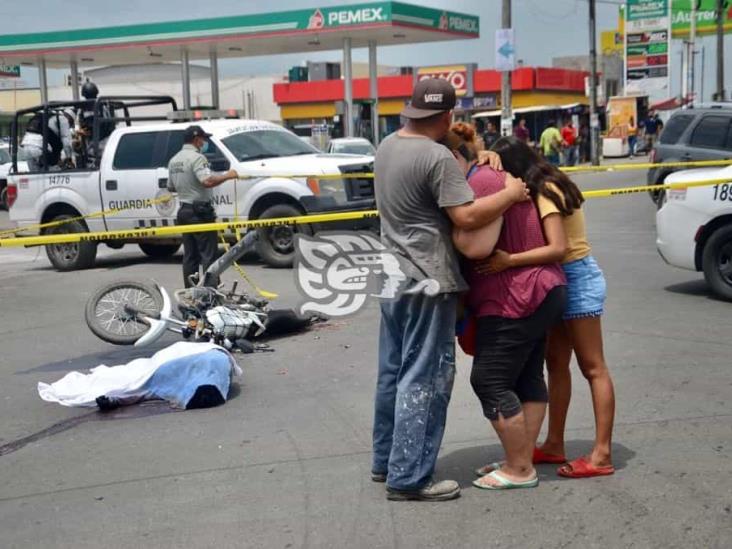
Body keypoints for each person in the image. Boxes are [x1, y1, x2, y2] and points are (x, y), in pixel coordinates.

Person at [372, 78, 529, 502]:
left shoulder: (387, 146)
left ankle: (385, 460)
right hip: (428, 278)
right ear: (446, 117)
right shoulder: (436, 156)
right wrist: (511, 193)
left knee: (393, 372)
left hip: (392, 277)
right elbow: (468, 217)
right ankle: (410, 478)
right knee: (425, 377)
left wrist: (481, 155)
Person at [485, 137, 616, 479]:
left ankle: (601, 454)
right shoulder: (549, 179)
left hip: (576, 276)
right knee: (556, 364)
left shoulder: (545, 190)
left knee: (593, 367)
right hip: (559, 280)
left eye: (504, 173)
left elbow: (558, 248)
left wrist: (508, 261)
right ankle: (554, 442)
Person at [444, 127, 567, 490]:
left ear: (453, 158)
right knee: (527, 377)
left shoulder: (480, 180)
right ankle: (522, 457)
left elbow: (474, 247)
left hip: (515, 295)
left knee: (490, 379)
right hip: (544, 289)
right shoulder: (491, 174)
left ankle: (519, 468)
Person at [167, 125, 238, 288]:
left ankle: (191, 293)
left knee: (190, 256)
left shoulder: (174, 160)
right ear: (196, 139)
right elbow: (207, 181)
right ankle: (210, 293)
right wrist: (228, 175)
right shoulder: (197, 158)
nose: (204, 142)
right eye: (203, 139)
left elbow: (171, 187)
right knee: (209, 255)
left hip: (184, 211)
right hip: (199, 212)